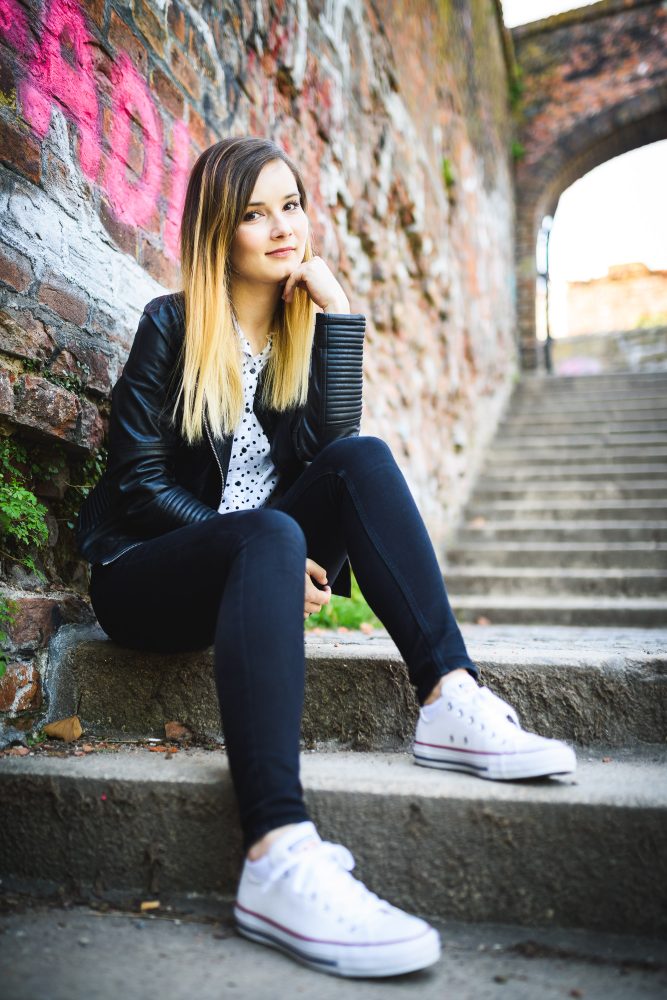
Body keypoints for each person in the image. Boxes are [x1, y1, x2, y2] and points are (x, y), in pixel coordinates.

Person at [76, 135, 576, 979]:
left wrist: (337, 317)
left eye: (291, 205)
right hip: (144, 574)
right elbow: (136, 484)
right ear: (218, 232)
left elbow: (331, 456)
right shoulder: (171, 324)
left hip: (254, 558)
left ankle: (449, 695)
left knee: (363, 459)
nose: (282, 227)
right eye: (254, 214)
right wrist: (255, 552)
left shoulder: (299, 338)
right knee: (268, 534)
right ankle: (275, 852)